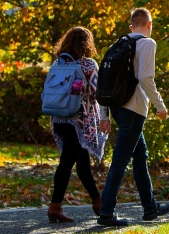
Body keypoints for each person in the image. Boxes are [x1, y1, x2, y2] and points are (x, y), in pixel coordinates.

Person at [97, 8, 169, 227]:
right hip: (135, 108)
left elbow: (104, 82)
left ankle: (150, 208)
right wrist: (160, 106)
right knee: (120, 161)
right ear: (150, 24)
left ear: (132, 26)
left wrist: (105, 115)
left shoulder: (117, 44)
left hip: (118, 107)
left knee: (140, 156)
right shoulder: (148, 43)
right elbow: (146, 78)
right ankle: (106, 213)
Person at [46, 27, 108, 223]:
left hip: (59, 119)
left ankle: (99, 203)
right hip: (79, 123)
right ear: (87, 44)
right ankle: (55, 207)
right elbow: (96, 93)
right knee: (66, 164)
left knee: (82, 166)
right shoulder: (89, 65)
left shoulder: (59, 63)